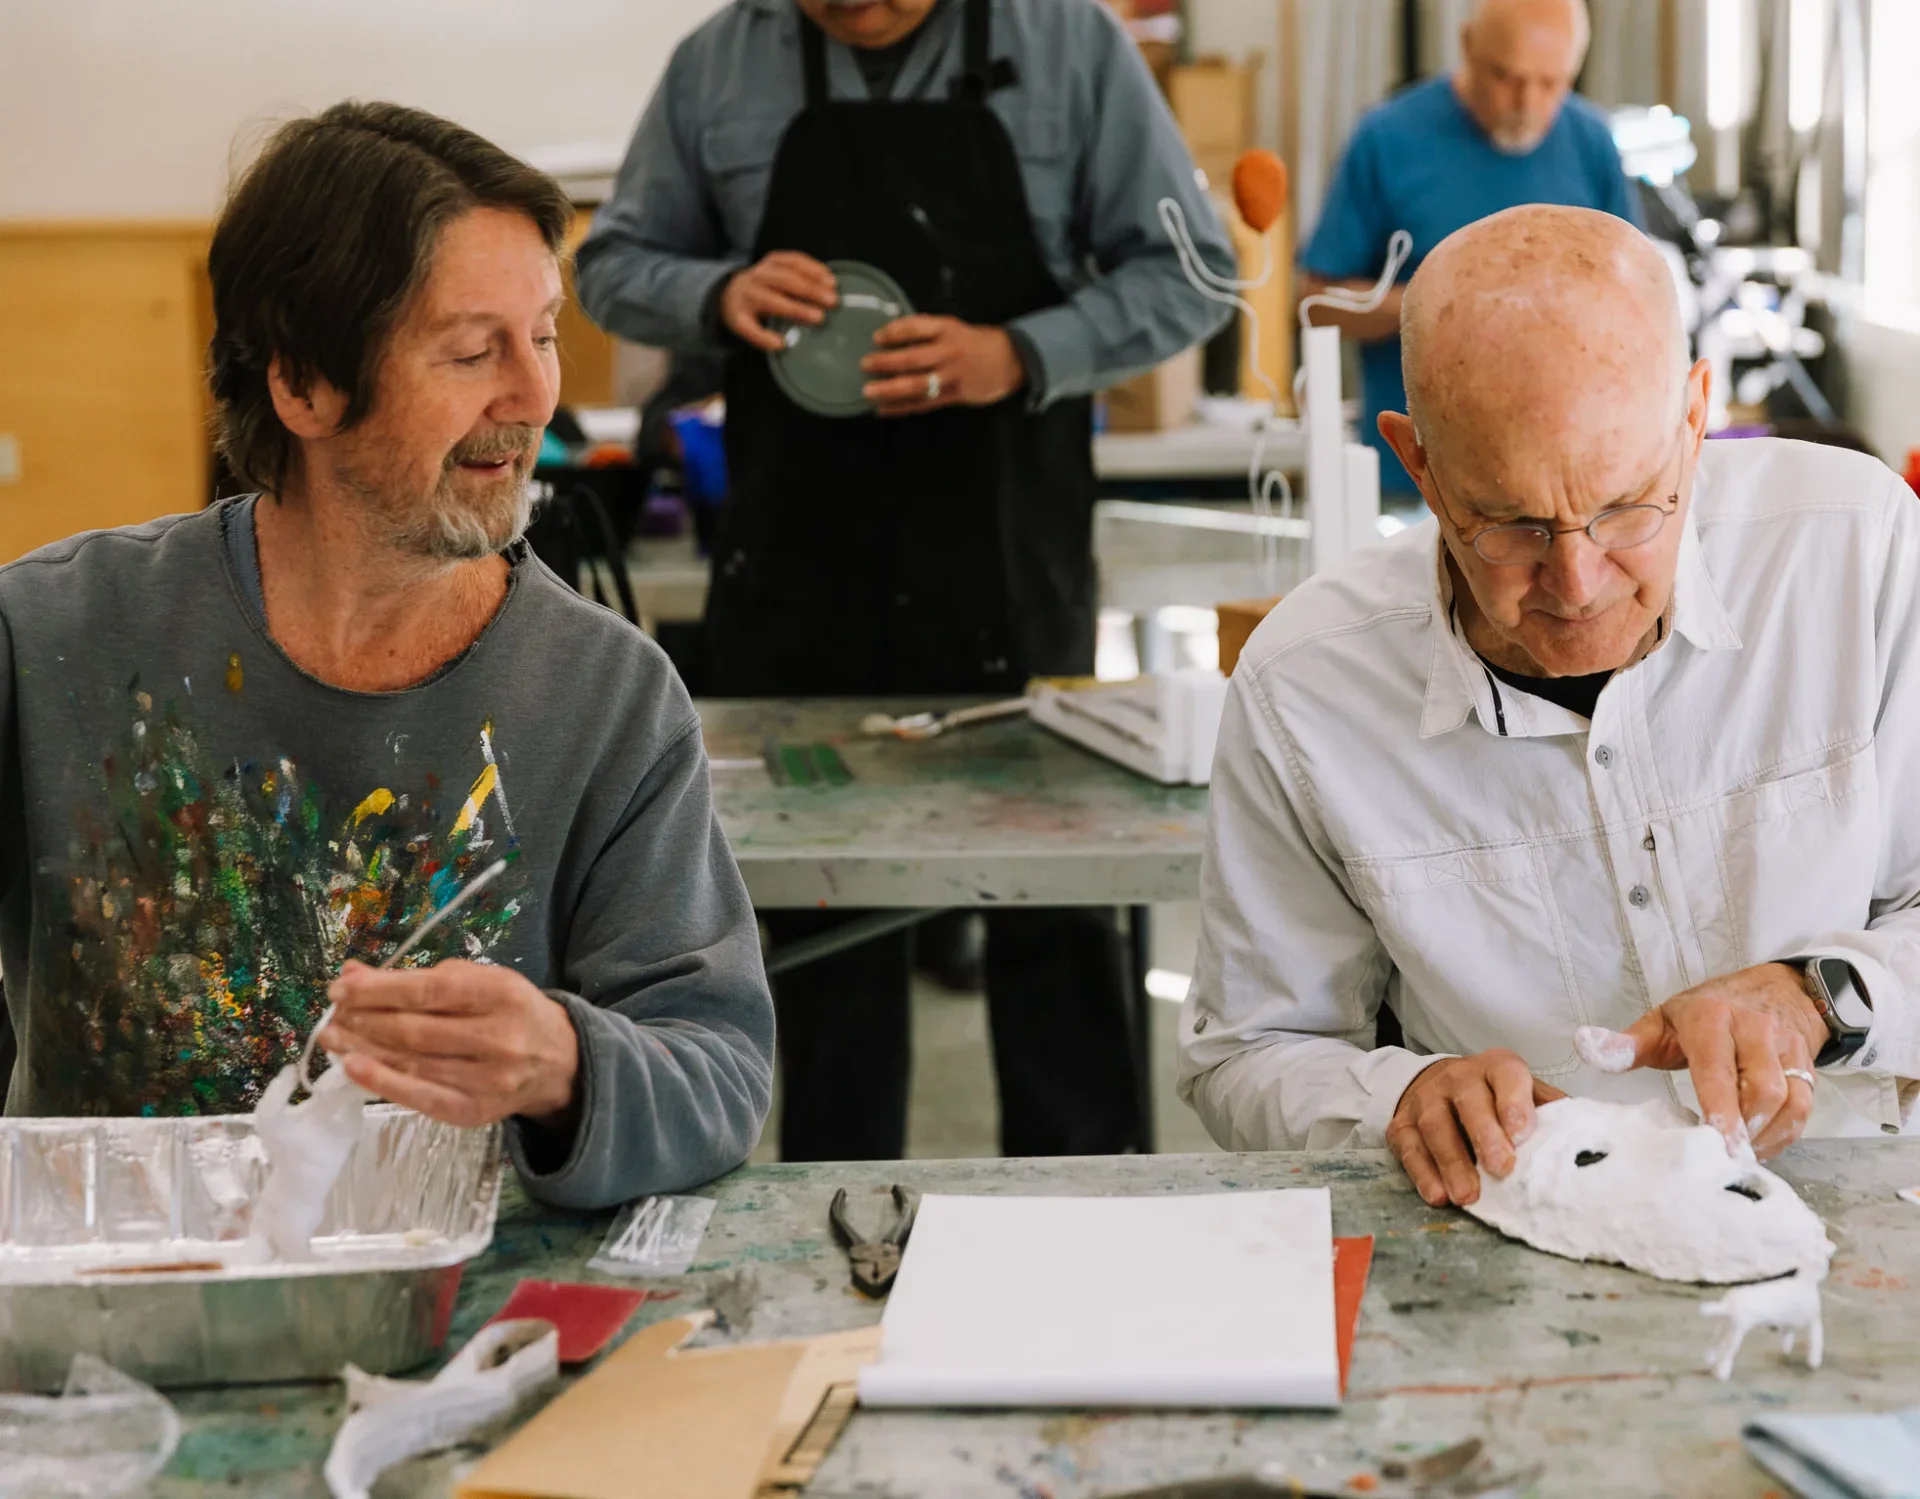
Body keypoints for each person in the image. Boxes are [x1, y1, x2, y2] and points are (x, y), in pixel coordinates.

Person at [0, 102, 775, 1211]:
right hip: (105, 1338)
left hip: (449, 1339)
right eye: (471, 350)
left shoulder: (606, 694)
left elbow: (720, 1068)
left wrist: (564, 1064)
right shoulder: (52, 637)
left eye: (543, 333)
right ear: (304, 384)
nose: (533, 395)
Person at [576, 0, 1235, 1161]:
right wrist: (717, 292)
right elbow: (612, 266)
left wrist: (1023, 351)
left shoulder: (1071, 47)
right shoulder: (716, 67)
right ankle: (833, 1292)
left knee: (1064, 936)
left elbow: (1194, 275)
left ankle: (1090, 1262)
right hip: (797, 577)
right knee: (823, 948)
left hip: (1010, 575)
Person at [1180, 205, 1919, 1209]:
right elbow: (1247, 1048)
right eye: (1512, 523)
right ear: (1422, 468)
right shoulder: (1306, 688)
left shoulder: (1859, 550)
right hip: (1519, 1247)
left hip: (1865, 1210)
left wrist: (1818, 994)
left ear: (1696, 419)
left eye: (1626, 506)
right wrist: (1403, 1095)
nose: (1576, 583)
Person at [1299, 0, 1640, 497]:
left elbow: (1631, 299)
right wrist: (1453, 305)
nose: (1526, 102)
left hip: (1568, 482)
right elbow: (1316, 304)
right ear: (1467, 47)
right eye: (1506, 77)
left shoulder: (1591, 143)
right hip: (1418, 478)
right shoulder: (1387, 140)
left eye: (1551, 84)